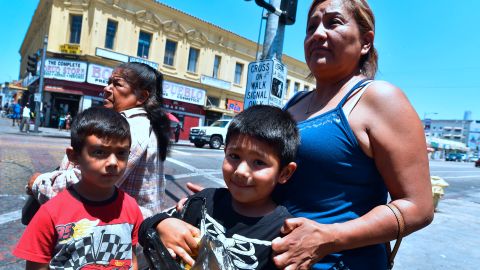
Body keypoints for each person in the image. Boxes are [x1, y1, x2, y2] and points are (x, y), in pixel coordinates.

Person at [267, 1, 434, 269]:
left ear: (366, 42)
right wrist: (222, 201)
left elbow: (419, 207)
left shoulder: (379, 98)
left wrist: (330, 237)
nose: (318, 33)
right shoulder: (294, 102)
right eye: (311, 27)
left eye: (333, 22)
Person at [138, 105, 299, 270]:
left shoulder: (286, 233)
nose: (241, 171)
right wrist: (162, 224)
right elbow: (145, 228)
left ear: (285, 173)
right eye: (234, 156)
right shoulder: (203, 200)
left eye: (259, 162)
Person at [28, 62, 171, 218]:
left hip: (120, 230)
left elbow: (89, 184)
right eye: (109, 82)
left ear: (142, 96)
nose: (107, 88)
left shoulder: (129, 127)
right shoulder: (142, 124)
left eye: (117, 84)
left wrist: (39, 183)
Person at [13, 107, 144, 269]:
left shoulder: (131, 207)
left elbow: (131, 260)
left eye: (121, 153)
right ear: (74, 156)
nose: (113, 162)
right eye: (99, 152)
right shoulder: (50, 214)